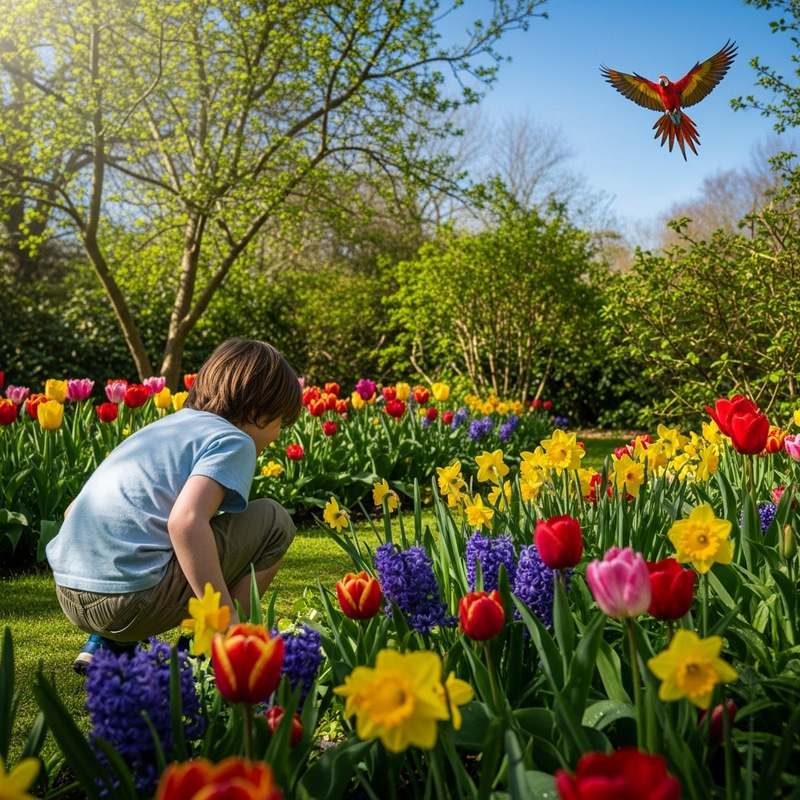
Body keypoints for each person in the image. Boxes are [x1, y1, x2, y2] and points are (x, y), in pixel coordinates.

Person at [46, 338, 303, 673]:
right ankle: (220, 647)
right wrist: (224, 619)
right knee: (275, 522)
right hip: (130, 604)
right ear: (258, 412)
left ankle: (107, 645)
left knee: (165, 538)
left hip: (68, 590)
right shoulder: (233, 440)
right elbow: (185, 523)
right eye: (280, 421)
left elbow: (72, 512)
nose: (278, 434)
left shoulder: (162, 429)